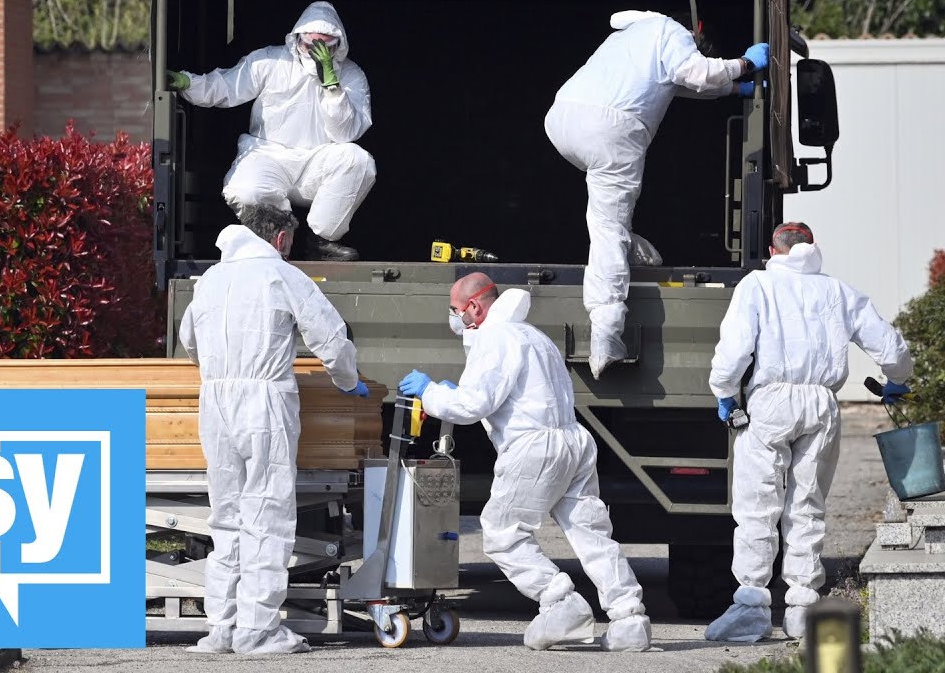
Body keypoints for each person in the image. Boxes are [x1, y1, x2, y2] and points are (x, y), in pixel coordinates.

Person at [398, 273, 651, 652]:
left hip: (534, 446)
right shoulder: (534, 335)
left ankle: (560, 602)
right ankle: (630, 617)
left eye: (455, 309)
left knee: (502, 533)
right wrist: (458, 392)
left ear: (474, 307)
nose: (454, 318)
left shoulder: (494, 337)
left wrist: (430, 391)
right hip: (573, 440)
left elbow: (471, 406)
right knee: (591, 533)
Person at [705, 222, 914, 642]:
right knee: (807, 504)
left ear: (773, 250)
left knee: (758, 505)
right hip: (822, 402)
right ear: (813, 247)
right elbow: (890, 346)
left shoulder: (758, 285)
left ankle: (751, 607)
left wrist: (724, 391)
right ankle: (802, 607)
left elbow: (735, 347)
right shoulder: (838, 290)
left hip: (770, 402)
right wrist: (896, 380)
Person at [178, 204, 369, 654]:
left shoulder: (209, 280)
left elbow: (190, 341)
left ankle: (221, 627)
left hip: (215, 401)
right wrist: (348, 380)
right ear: (280, 239)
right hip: (263, 401)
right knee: (267, 513)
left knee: (226, 516)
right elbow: (329, 336)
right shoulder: (281, 275)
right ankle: (258, 630)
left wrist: (220, 370)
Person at [544, 9, 770, 379]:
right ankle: (606, 336)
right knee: (608, 228)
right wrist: (744, 64)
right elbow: (697, 73)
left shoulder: (636, 36)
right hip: (611, 128)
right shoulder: (672, 30)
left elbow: (681, 85)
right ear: (695, 29)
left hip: (562, 120)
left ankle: (625, 244)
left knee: (605, 218)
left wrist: (734, 89)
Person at [165, 1, 375, 262]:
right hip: (269, 155)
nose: (316, 54)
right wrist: (188, 82)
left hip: (316, 162)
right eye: (311, 46)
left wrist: (331, 84)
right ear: (297, 39)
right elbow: (226, 87)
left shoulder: (351, 75)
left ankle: (321, 242)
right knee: (245, 189)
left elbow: (346, 133)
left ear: (337, 46)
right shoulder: (270, 60)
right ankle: (275, 245)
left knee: (358, 160)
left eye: (325, 47)